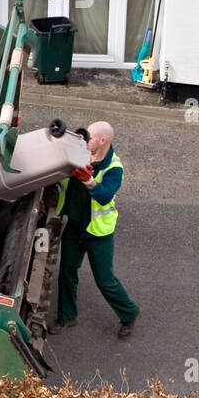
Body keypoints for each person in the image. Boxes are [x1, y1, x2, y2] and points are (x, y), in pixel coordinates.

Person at [52, 121, 139, 338]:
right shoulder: (82, 152)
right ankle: (67, 316)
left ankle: (129, 313)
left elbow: (104, 195)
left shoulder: (114, 168)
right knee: (67, 272)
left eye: (89, 137)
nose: (84, 140)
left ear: (103, 141)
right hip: (74, 224)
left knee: (104, 279)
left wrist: (89, 180)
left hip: (97, 232)